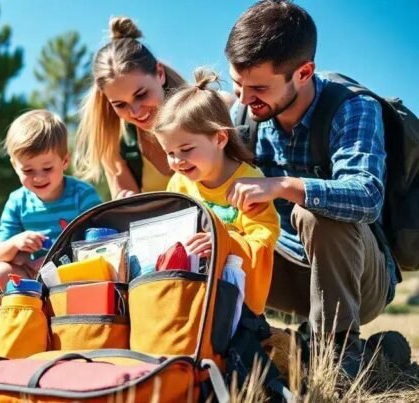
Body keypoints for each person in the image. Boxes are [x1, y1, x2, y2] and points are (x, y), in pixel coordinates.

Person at [224, 0, 395, 376]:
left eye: (258, 88)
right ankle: (252, 349)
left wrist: (284, 185)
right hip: (281, 270)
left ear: (303, 72)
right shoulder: (245, 115)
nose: (244, 100)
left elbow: (367, 196)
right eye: (237, 85)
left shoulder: (352, 107)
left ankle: (339, 358)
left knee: (315, 212)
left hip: (357, 278)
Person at [153, 68, 280, 315]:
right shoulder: (179, 184)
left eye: (186, 149)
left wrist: (224, 243)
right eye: (170, 153)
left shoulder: (249, 182)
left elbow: (263, 239)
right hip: (192, 292)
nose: (178, 161)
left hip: (235, 297)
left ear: (220, 139)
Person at [0, 110, 102, 312]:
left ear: (64, 161)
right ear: (15, 166)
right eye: (28, 171)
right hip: (33, 279)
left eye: (47, 168)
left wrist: (55, 262)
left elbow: (102, 245)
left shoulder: (82, 195)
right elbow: (0, 254)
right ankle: (9, 328)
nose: (38, 178)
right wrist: (16, 242)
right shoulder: (17, 201)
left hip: (75, 274)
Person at [73, 17, 188, 199]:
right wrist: (125, 202)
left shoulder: (208, 113)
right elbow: (130, 209)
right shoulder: (117, 145)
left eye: (141, 94)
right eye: (120, 104)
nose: (135, 112)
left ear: (159, 74)